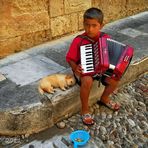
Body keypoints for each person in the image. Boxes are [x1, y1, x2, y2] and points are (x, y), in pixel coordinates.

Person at [66, 7, 120, 125]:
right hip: (85, 70)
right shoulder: (79, 40)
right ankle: (85, 109)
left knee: (115, 77)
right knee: (87, 81)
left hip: (101, 70)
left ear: (101, 25)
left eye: (94, 25)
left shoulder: (105, 39)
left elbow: (111, 55)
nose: (90, 29)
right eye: (87, 25)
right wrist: (75, 67)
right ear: (83, 24)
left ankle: (104, 98)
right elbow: (69, 59)